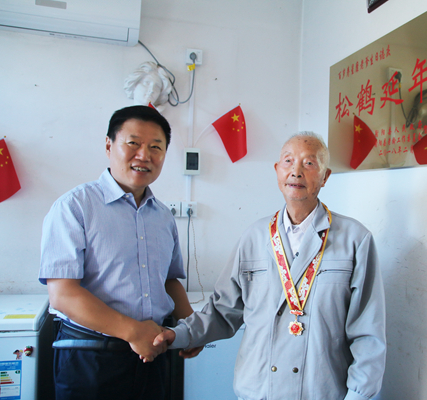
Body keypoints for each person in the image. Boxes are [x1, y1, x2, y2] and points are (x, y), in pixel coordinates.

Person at [156, 132, 386, 400]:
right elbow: (222, 310)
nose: (296, 171)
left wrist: (357, 395)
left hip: (321, 392)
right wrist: (181, 335)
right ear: (277, 170)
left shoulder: (355, 240)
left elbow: (368, 332)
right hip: (259, 391)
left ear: (325, 176)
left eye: (309, 163)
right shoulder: (254, 237)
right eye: (288, 161)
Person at [39, 105, 196, 400]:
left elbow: (168, 280)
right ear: (109, 145)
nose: (144, 155)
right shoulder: (75, 207)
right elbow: (62, 293)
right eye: (133, 143)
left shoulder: (163, 216)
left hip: (152, 356)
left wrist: (192, 327)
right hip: (91, 358)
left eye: (156, 147)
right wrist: (133, 331)